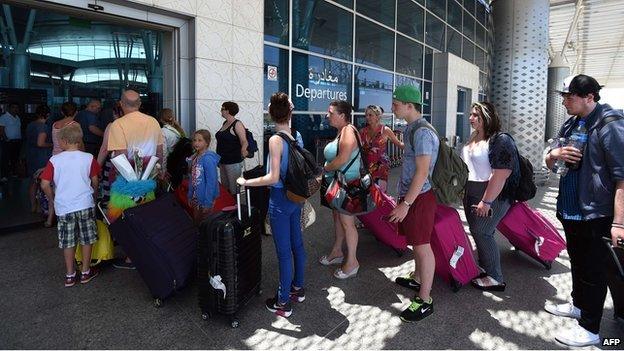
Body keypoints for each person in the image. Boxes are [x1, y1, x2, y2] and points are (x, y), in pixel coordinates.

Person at [543, 74, 624, 347]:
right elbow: (550, 157)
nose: (565, 101)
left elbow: (622, 177)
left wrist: (620, 224)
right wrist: (554, 156)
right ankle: (579, 306)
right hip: (571, 210)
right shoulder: (571, 122)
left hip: (595, 213)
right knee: (578, 262)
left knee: (594, 270)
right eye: (564, 96)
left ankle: (590, 328)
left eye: (570, 96)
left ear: (590, 97)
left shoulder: (610, 124)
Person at [236, 92, 305, 318]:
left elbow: (273, 177)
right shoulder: (297, 136)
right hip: (295, 198)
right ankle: (298, 288)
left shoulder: (275, 140)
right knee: (297, 245)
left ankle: (283, 302)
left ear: (270, 114)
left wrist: (247, 181)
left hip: (279, 200)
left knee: (284, 253)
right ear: (290, 112)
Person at [387, 85, 439, 323]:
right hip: (413, 196)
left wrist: (406, 204)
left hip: (419, 197)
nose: (393, 107)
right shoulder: (411, 129)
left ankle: (426, 299)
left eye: (396, 104)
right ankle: (418, 278)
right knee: (416, 243)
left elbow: (422, 173)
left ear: (409, 106)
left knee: (422, 246)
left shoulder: (422, 132)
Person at [460, 101, 518, 291]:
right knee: (482, 232)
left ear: (488, 117)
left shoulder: (500, 140)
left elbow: (501, 174)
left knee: (482, 232)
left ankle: (495, 277)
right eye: (470, 114)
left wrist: (486, 201)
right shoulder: (474, 137)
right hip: (471, 191)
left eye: (476, 115)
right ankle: (486, 268)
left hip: (493, 194)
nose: (471, 118)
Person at [107, 90, 164, 269]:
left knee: (126, 218)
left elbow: (120, 156)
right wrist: (159, 171)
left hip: (128, 182)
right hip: (148, 179)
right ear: (139, 104)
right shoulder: (153, 122)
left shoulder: (118, 124)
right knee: (146, 215)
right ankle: (147, 250)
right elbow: (160, 151)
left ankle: (132, 257)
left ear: (121, 104)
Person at [39, 123, 101, 287]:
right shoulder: (89, 158)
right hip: (85, 204)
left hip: (64, 208)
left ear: (64, 141)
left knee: (68, 241)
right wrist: (93, 195)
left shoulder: (54, 160)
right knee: (87, 239)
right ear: (79, 141)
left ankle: (70, 275)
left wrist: (52, 198)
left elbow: (44, 184)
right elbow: (95, 181)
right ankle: (86, 272)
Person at [318, 100, 362, 279]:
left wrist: (325, 169)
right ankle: (337, 252)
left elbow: (343, 158)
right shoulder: (342, 131)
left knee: (347, 223)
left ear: (342, 115)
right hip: (338, 185)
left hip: (347, 186)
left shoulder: (348, 131)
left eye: (331, 112)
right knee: (338, 218)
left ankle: (352, 263)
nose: (327, 115)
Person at [359, 105, 404, 192]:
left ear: (378, 116)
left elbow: (399, 144)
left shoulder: (385, 130)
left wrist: (413, 145)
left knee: (380, 195)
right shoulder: (362, 131)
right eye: (366, 115)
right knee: (367, 193)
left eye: (370, 115)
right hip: (366, 167)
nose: (367, 117)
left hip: (381, 169)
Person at [25, 105, 53, 222]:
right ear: (47, 115)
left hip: (31, 155)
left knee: (33, 182)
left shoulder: (31, 125)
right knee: (43, 183)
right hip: (41, 156)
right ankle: (43, 207)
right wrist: (51, 145)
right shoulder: (43, 126)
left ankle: (33, 206)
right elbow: (40, 143)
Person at [188, 129, 220, 225]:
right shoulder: (194, 158)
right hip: (196, 197)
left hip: (206, 198)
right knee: (197, 221)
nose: (196, 143)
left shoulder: (208, 159)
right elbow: (192, 178)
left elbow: (211, 182)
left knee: (206, 223)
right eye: (194, 140)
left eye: (199, 140)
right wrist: (190, 195)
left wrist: (208, 202)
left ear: (207, 143)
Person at [216, 101, 248, 195]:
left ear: (228, 111)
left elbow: (244, 141)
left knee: (234, 189)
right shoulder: (225, 123)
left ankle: (236, 208)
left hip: (233, 161)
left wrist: (244, 149)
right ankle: (228, 208)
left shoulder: (237, 124)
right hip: (222, 161)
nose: (221, 111)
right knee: (225, 188)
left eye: (222, 109)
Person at [0, 103, 22, 180]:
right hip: (8, 142)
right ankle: (4, 176)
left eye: (17, 107)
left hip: (17, 141)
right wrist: (6, 139)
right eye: (13, 107)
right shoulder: (4, 117)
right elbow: (1, 130)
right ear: (9, 108)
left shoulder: (17, 117)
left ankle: (13, 173)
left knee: (14, 158)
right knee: (5, 159)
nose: (15, 109)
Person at [159, 108, 185, 172]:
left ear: (161, 120)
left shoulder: (162, 131)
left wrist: (163, 170)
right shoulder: (177, 131)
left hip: (169, 164)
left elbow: (163, 153)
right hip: (178, 163)